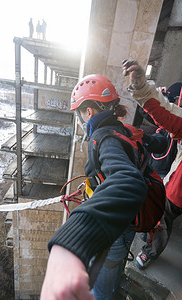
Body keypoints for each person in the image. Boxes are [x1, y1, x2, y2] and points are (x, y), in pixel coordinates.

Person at [40, 74, 167, 300]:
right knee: (112, 266)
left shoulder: (104, 139)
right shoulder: (122, 128)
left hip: (121, 224)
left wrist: (71, 241)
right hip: (133, 213)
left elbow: (127, 180)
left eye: (79, 113)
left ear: (88, 112)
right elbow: (155, 144)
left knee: (101, 284)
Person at [122, 60, 182, 269]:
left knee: (162, 216)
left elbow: (166, 119)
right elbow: (165, 115)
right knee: (162, 213)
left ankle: (151, 250)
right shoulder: (171, 123)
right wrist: (141, 87)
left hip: (175, 186)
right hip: (173, 182)